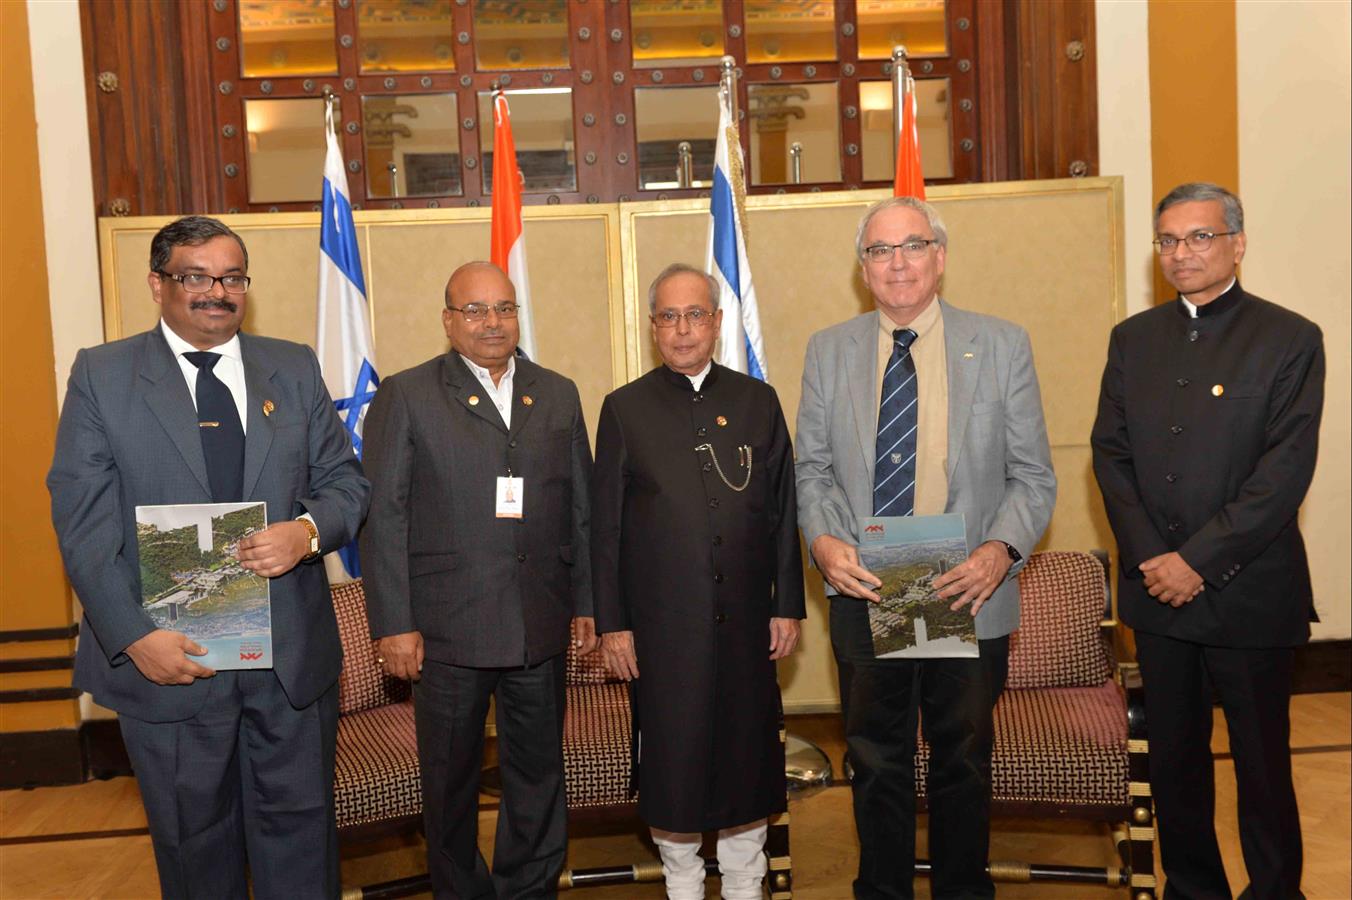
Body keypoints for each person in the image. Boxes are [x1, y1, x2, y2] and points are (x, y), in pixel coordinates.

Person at [47, 215, 371, 898]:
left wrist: (307, 533)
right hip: (172, 664)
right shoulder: (102, 376)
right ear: (158, 284)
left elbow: (346, 483)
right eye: (195, 276)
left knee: (303, 851)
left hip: (288, 664)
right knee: (196, 856)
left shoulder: (293, 364)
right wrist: (135, 639)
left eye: (230, 277)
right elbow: (82, 527)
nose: (215, 292)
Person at [795, 197, 1056, 899]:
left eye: (914, 245)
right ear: (863, 268)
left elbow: (1032, 477)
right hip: (868, 581)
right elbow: (812, 471)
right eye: (881, 251)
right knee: (876, 761)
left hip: (965, 582)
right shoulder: (829, 349)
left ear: (940, 256)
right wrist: (821, 541)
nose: (898, 263)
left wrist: (1000, 550)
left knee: (962, 759)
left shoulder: (1001, 344)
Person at [1091, 182, 1324, 900]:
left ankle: (1275, 890)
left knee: (1262, 764)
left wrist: (1197, 561)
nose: (1181, 253)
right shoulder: (1134, 340)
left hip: (1248, 592)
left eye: (1199, 237)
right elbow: (1110, 454)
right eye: (1168, 239)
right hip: (1159, 595)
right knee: (1175, 766)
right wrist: (1154, 560)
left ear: (1237, 244)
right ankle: (1193, 889)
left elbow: (1283, 473)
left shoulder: (1290, 338)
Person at [359, 261, 596, 898]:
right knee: (449, 779)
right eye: (475, 310)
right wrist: (394, 623)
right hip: (444, 631)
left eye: (504, 308)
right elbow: (383, 516)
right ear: (448, 321)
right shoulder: (406, 395)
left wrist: (587, 603)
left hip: (537, 624)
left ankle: (529, 888)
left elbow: (581, 508)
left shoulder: (557, 392)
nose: (492, 322)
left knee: (539, 776)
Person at [591, 263, 804, 900]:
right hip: (662, 635)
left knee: (744, 767)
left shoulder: (757, 402)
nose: (683, 329)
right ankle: (681, 885)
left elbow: (783, 510)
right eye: (668, 316)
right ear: (653, 326)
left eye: (695, 315)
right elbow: (605, 532)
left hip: (746, 630)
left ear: (716, 321)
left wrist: (787, 605)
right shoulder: (624, 409)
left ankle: (745, 884)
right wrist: (613, 625)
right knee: (675, 770)